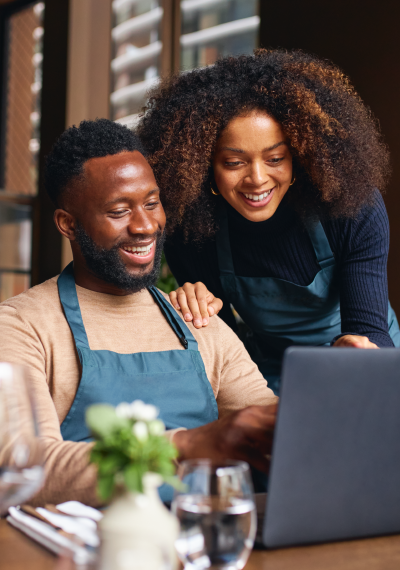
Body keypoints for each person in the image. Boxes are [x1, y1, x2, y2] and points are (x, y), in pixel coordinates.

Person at [0, 119, 277, 507]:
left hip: (202, 546)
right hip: (77, 557)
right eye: (120, 211)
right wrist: (186, 444)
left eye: (152, 203)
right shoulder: (21, 325)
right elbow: (24, 465)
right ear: (68, 224)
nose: (146, 225)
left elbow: (268, 427)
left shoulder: (197, 318)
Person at [137, 49, 400, 394]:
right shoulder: (192, 231)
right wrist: (195, 309)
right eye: (234, 162)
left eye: (275, 158)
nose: (258, 179)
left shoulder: (351, 208)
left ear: (300, 155)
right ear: (203, 168)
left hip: (360, 362)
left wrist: (359, 351)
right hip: (271, 373)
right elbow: (225, 349)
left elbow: (370, 328)